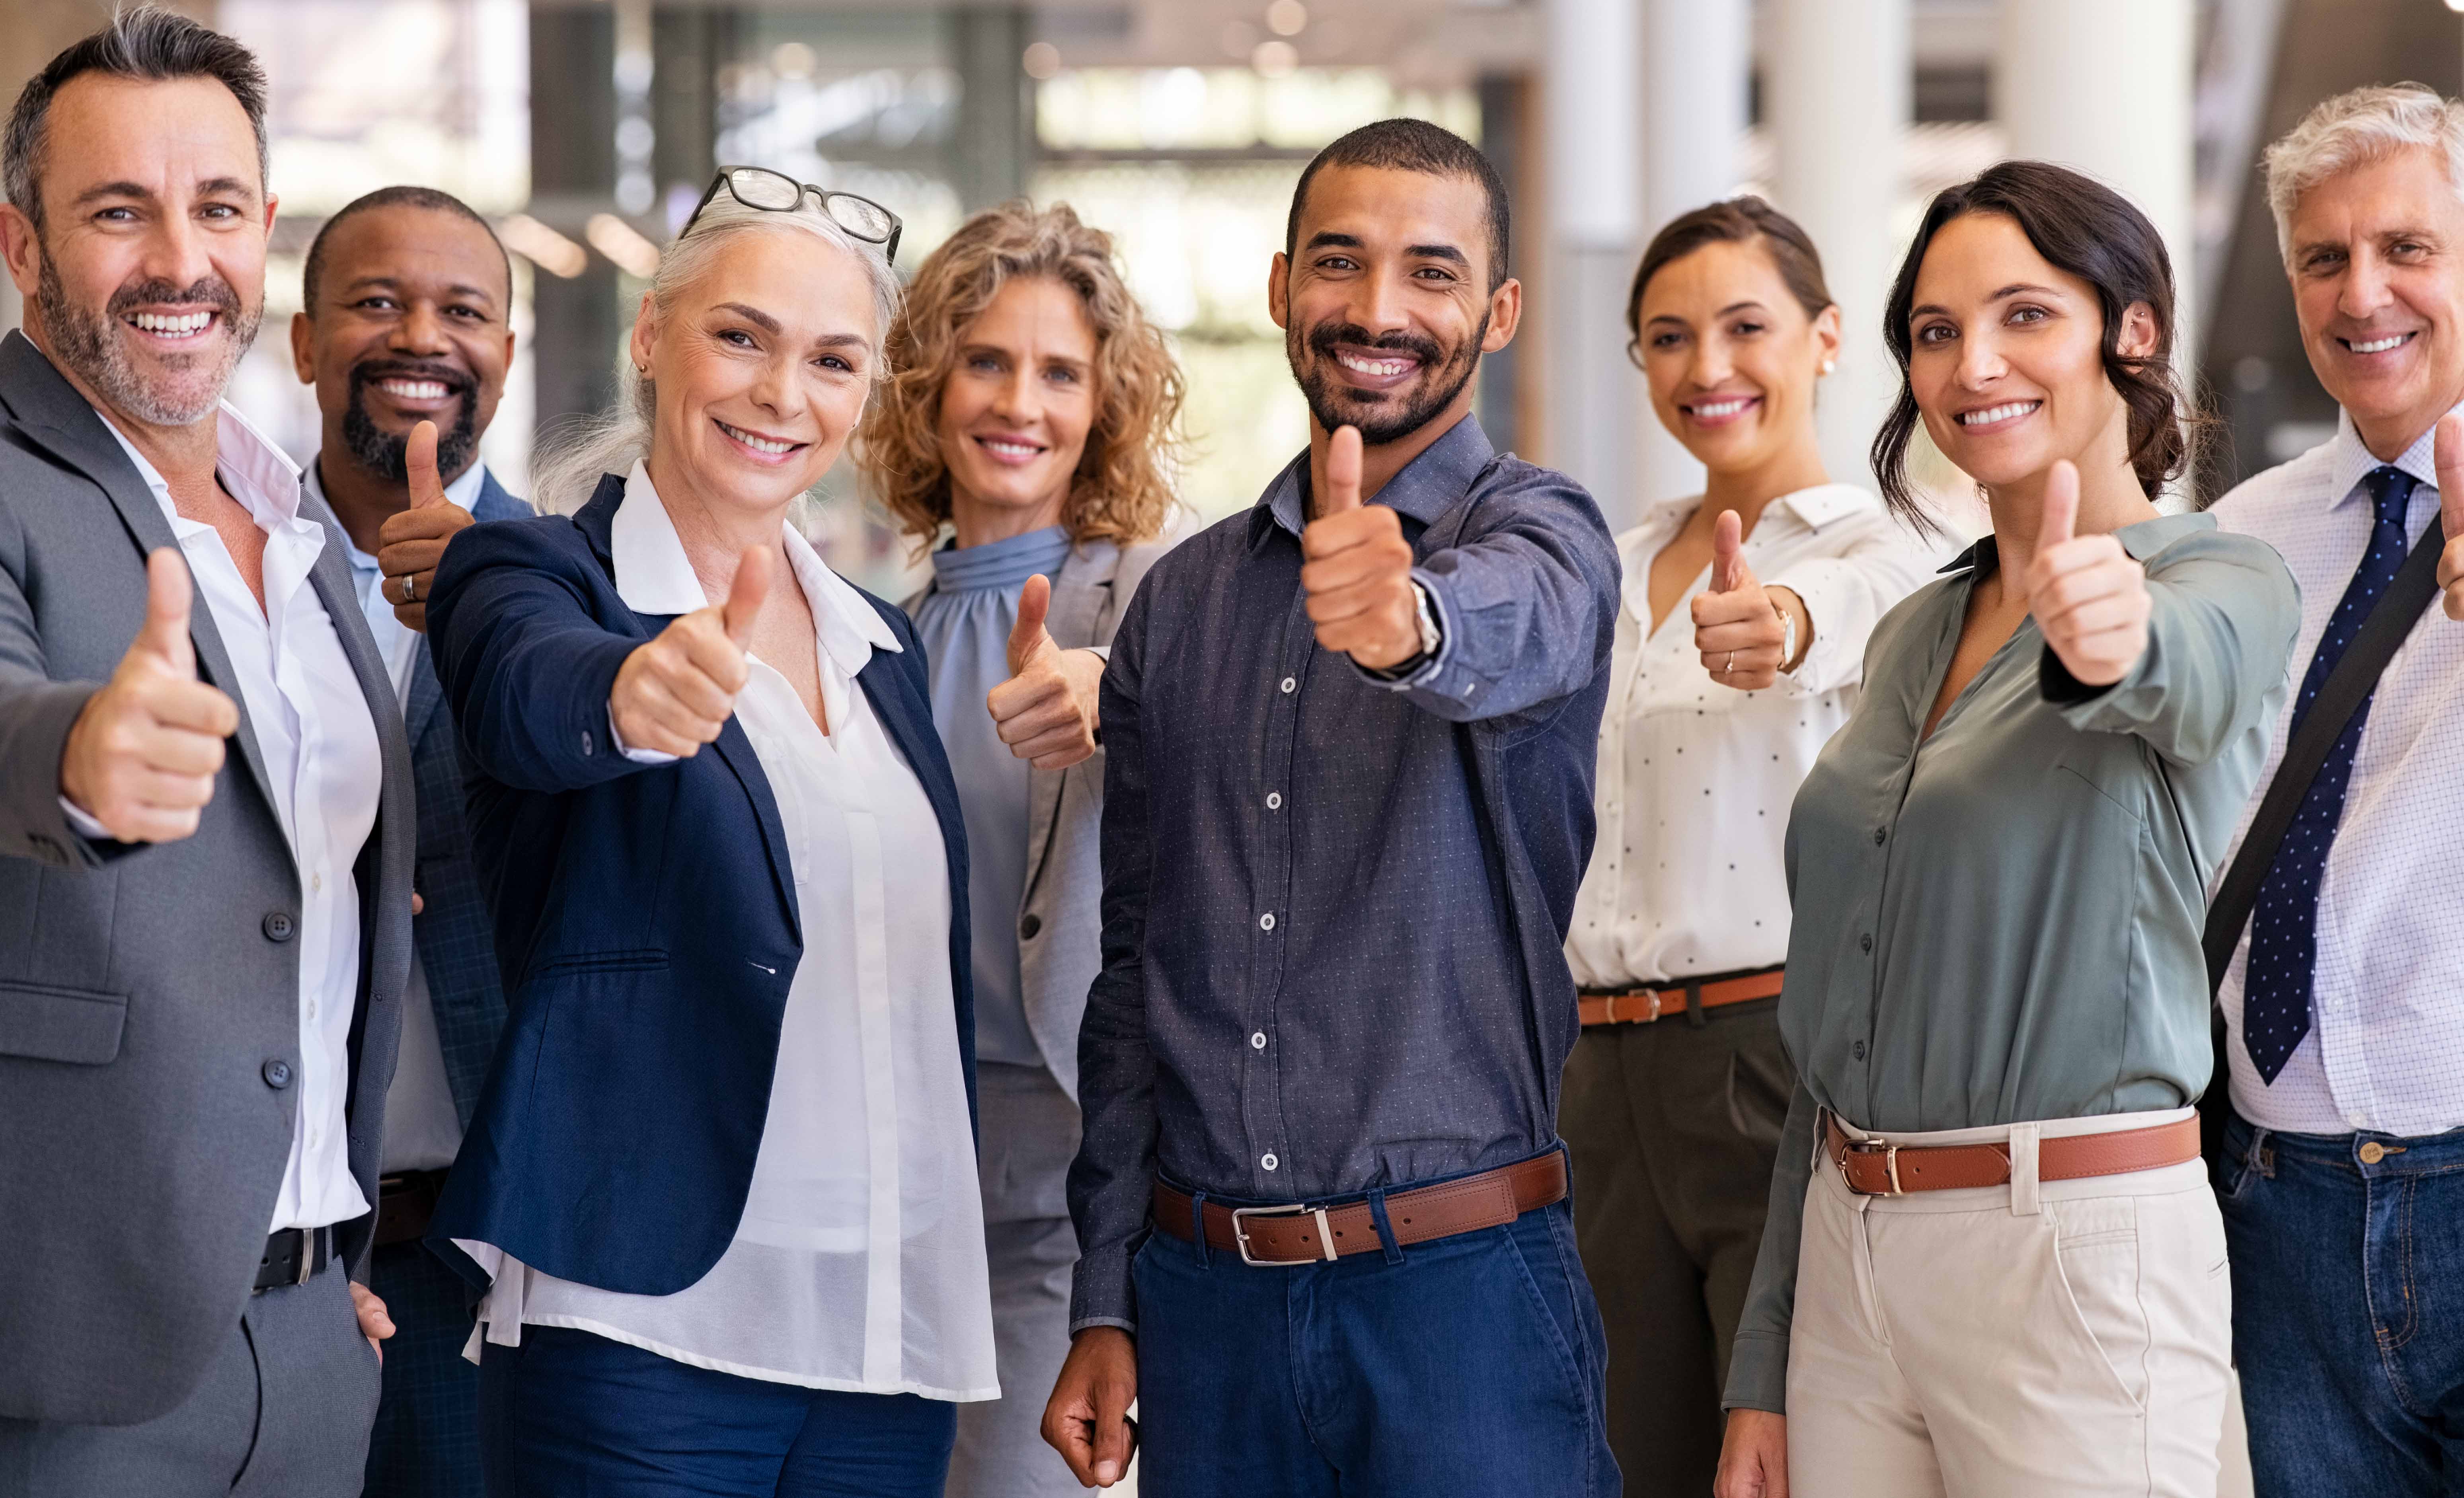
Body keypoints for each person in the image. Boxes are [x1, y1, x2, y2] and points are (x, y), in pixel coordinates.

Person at [1043, 118, 1624, 1498]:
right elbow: (1136, 979)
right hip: (1205, 1311)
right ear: (1278, 287)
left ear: (1498, 310)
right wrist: (1108, 1295)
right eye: (1340, 264)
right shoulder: (1178, 606)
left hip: (1462, 1303)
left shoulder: (1545, 534)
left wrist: (1405, 619)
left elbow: (1515, 625)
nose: (1376, 311)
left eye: (1430, 274)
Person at [1713, 161, 2300, 1498]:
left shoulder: (2222, 576)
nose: (1973, 363)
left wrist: (2112, 631)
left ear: (2131, 331)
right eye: (1934, 332)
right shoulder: (1918, 627)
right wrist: (1767, 1355)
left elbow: (2183, 668)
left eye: (2026, 315)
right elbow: (1836, 1013)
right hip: (1848, 1253)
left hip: (2072, 1253)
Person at [421, 168, 994, 1498]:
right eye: (741, 336)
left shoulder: (879, 644)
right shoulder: (538, 576)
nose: (781, 393)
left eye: (832, 359)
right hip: (641, 1328)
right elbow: (524, 690)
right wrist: (629, 694)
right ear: (651, 336)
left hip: (883, 1338)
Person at [0, 10, 414, 1492]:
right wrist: (78, 754)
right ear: (23, 248)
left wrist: (326, 1261)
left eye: (217, 207)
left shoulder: (298, 526)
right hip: (58, 1365)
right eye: (120, 211)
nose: (181, 259)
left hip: (310, 1335)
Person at [1561, 196, 1936, 1497]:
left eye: (1745, 326)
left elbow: (1841, 614)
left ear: (1829, 337)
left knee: (1786, 1457)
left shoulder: (1897, 552)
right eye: (1668, 338)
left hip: (1768, 1063)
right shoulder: (1604, 565)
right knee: (1624, 1460)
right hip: (1596, 1079)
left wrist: (1776, 616)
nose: (1707, 368)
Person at [856, 199, 1182, 1498]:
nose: (1019, 402)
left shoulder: (1155, 597)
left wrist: (1124, 693)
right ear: (931, 386)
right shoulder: (874, 632)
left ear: (1105, 404)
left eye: (1060, 372)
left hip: (1071, 1164)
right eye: (987, 361)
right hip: (890, 1154)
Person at [2204, 84, 2464, 1498]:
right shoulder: (2240, 541)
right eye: (2323, 258)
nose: (2364, 293)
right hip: (2276, 1185)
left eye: (2408, 248)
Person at [286, 183, 529, 1498]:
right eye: (375, 303)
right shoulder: (228, 567)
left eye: (462, 310)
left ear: (508, 349)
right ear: (303, 341)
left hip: (491, 1255)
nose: (419, 337)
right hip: (256, 1251)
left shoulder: (582, 583)